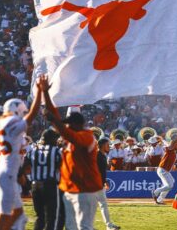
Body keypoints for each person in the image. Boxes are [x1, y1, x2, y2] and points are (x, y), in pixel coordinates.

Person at [42, 75, 103, 230]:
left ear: (77, 125)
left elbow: (62, 128)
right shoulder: (72, 137)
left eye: (69, 124)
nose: (66, 127)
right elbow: (56, 119)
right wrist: (46, 94)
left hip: (85, 189)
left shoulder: (87, 137)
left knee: (84, 226)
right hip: (72, 188)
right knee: (71, 225)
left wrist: (55, 121)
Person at [0, 77, 42, 230]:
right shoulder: (11, 122)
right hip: (7, 172)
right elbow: (32, 115)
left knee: (18, 213)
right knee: (5, 215)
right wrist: (39, 91)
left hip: (4, 169)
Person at [28, 129, 62, 230]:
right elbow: (61, 166)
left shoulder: (33, 150)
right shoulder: (55, 151)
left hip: (35, 185)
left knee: (40, 217)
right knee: (51, 217)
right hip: (49, 185)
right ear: (51, 139)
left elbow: (25, 166)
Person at [152, 127, 177, 204]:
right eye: (176, 143)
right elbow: (174, 141)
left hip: (165, 170)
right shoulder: (170, 148)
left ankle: (159, 200)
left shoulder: (172, 150)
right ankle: (155, 192)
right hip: (163, 170)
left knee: (171, 182)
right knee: (169, 185)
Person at [96, 138, 121, 230]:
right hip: (96, 185)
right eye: (107, 145)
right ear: (102, 145)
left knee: (102, 205)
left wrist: (105, 181)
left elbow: (101, 171)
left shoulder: (102, 155)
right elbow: (95, 170)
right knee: (96, 206)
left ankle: (109, 225)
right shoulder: (97, 155)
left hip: (99, 184)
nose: (109, 146)